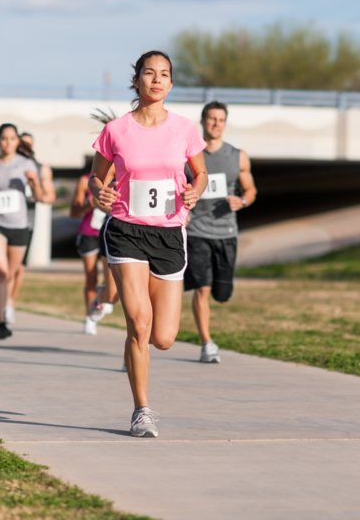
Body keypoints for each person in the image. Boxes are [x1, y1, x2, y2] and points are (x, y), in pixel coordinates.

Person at [89, 50, 207, 437]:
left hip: (170, 235)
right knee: (139, 324)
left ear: (171, 84)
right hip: (125, 229)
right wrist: (99, 194)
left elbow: (200, 173)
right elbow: (96, 178)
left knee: (164, 338)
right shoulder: (117, 130)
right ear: (136, 80)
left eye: (164, 75)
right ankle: (142, 409)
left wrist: (194, 191)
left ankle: (138, 353)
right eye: (149, 73)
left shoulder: (185, 129)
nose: (157, 80)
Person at [184, 101, 257, 363]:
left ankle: (210, 329)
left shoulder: (238, 156)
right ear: (203, 121)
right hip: (197, 231)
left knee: (222, 295)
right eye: (212, 119)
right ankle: (207, 343)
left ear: (225, 123)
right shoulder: (190, 155)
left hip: (226, 232)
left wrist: (243, 201)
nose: (216, 123)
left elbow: (251, 190)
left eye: (221, 119)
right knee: (201, 289)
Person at [0, 123, 43, 340]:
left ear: (17, 141)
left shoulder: (27, 164)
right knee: (2, 272)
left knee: (12, 273)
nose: (8, 143)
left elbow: (39, 197)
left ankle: (7, 306)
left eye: (12, 139)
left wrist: (33, 182)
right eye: (4, 138)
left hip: (19, 225)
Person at [6, 132, 55, 322]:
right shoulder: (4, 164)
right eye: (21, 144)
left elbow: (49, 198)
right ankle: (4, 299)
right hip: (3, 219)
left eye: (28, 145)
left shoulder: (41, 169)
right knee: (3, 266)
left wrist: (36, 187)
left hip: (26, 221)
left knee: (18, 266)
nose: (24, 148)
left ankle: (10, 301)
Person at [71, 155, 118, 335]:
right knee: (91, 276)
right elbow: (73, 212)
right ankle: (90, 319)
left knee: (111, 278)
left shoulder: (123, 176)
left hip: (111, 230)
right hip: (89, 232)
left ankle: (104, 294)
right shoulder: (85, 182)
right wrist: (90, 205)